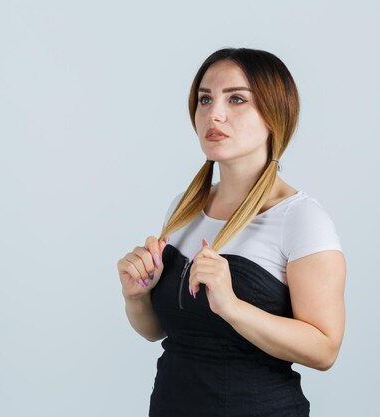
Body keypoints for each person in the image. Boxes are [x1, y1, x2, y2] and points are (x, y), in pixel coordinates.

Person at [117, 47, 346, 417]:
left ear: (275, 115)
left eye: (236, 99)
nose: (214, 114)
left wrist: (232, 307)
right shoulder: (184, 208)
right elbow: (156, 331)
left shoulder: (300, 218)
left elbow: (325, 350)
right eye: (204, 99)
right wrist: (136, 296)